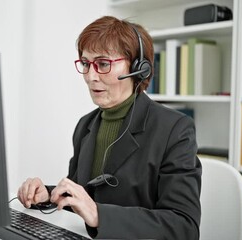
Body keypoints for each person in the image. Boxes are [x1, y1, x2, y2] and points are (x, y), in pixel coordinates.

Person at [17, 16, 201, 239]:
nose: (91, 77)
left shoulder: (175, 130)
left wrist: (99, 215)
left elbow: (184, 227)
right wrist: (47, 195)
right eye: (86, 64)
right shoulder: (86, 125)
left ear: (137, 68)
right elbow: (81, 200)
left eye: (103, 64)